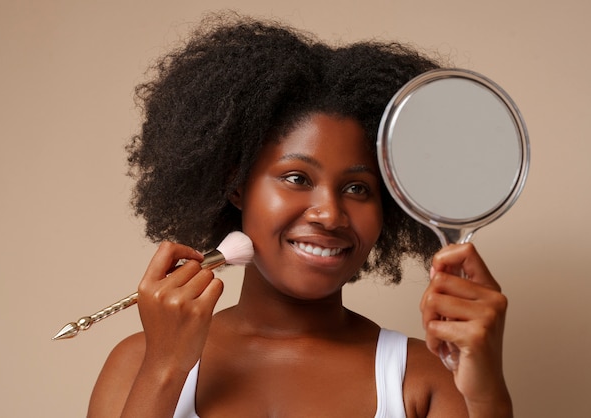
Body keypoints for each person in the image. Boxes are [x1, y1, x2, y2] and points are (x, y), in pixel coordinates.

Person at [87, 12, 512, 418]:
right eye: (296, 177)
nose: (329, 214)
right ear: (236, 185)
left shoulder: (423, 379)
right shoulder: (137, 363)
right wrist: (165, 369)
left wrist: (487, 393)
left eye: (357, 188)